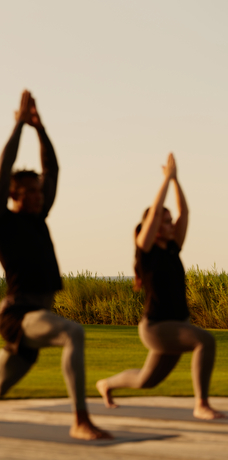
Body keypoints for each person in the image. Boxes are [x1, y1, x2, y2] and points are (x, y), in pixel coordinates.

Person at [0, 90, 112, 440]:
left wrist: (40, 128)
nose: (38, 195)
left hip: (37, 316)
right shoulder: (1, 221)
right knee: (72, 332)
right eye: (31, 191)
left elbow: (54, 169)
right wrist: (18, 125)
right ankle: (80, 420)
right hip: (20, 313)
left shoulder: (38, 218)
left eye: (39, 191)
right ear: (13, 195)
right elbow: (3, 168)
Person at [96, 153, 225, 420]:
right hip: (156, 328)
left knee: (147, 380)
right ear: (152, 228)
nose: (170, 224)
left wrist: (176, 180)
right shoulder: (146, 251)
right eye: (165, 221)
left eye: (169, 221)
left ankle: (106, 384)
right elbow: (154, 212)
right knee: (206, 341)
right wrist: (165, 180)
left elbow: (185, 212)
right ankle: (201, 404)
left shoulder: (173, 249)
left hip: (178, 324)